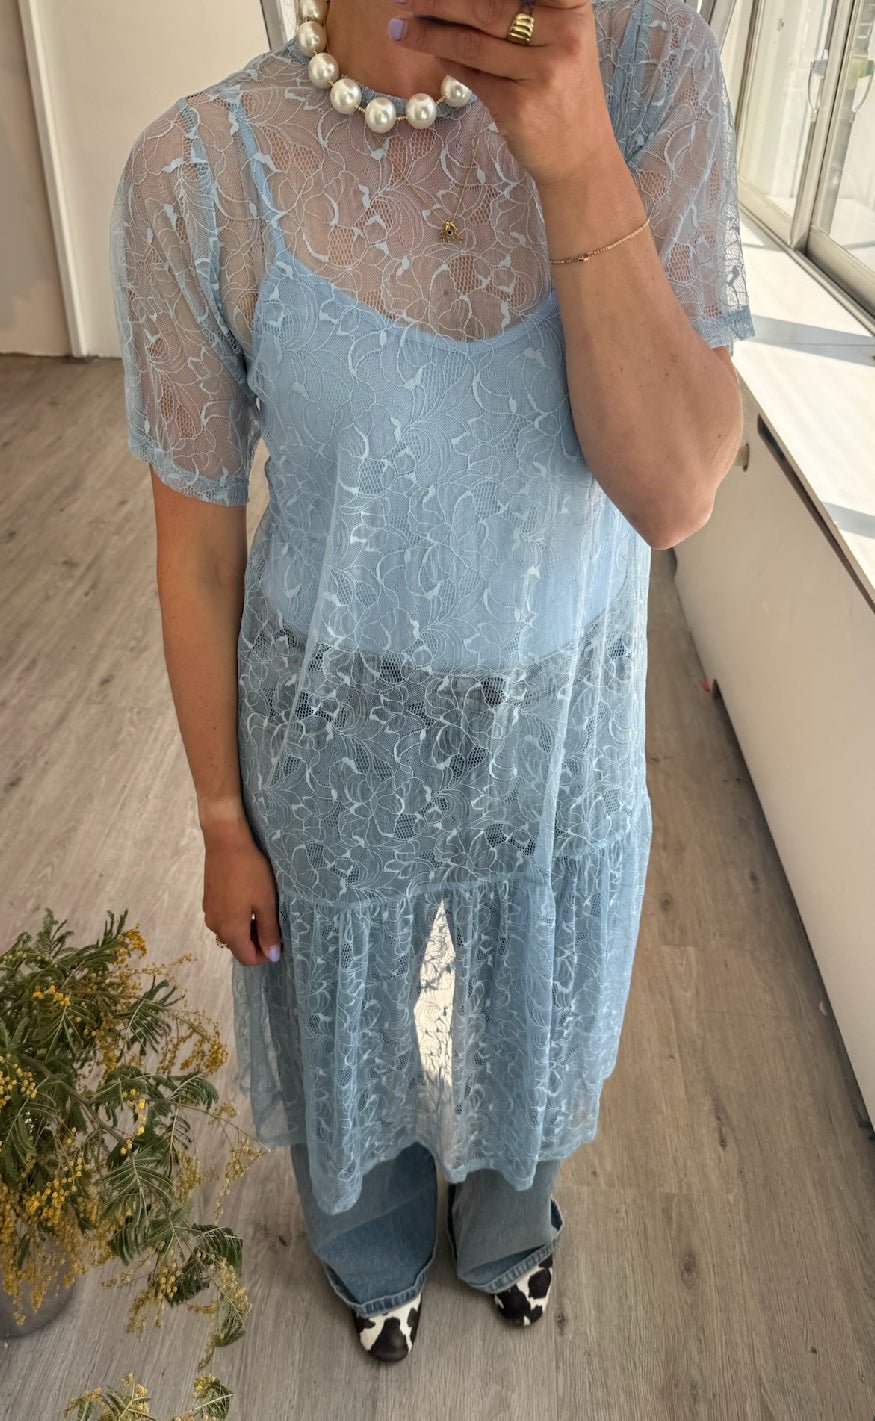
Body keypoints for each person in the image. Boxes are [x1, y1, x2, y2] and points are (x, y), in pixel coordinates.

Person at [110, 0, 755, 1366]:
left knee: (536, 1002)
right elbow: (200, 549)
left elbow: (675, 493)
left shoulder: (651, 68)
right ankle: (371, 1249)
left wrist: (578, 157)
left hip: (561, 726)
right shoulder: (198, 168)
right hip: (328, 734)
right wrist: (221, 817)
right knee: (346, 1019)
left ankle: (512, 1229)